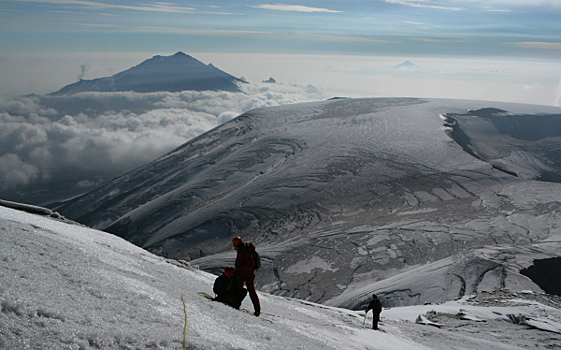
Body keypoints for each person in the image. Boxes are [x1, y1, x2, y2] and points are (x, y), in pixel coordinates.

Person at [232, 236, 261, 316]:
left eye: (235, 246)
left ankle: (236, 304)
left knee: (241, 290)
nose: (234, 248)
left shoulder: (244, 251)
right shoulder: (244, 250)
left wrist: (240, 269)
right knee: (251, 292)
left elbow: (250, 264)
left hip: (245, 274)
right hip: (247, 274)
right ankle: (257, 309)